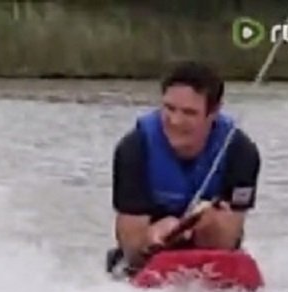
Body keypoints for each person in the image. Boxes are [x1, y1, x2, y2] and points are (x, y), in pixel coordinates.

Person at [107, 61, 261, 276]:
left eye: (189, 113)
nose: (176, 121)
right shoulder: (134, 149)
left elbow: (228, 240)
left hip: (211, 253)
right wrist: (153, 234)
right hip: (148, 260)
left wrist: (210, 226)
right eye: (169, 108)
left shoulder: (240, 152)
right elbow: (131, 248)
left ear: (213, 112)